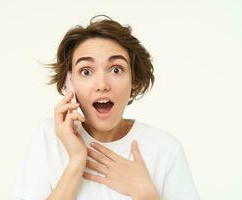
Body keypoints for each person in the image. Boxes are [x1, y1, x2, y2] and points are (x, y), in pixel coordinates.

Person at [12, 15, 199, 200]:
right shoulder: (48, 138)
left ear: (133, 80)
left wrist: (146, 194)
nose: (102, 84)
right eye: (86, 71)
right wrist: (76, 162)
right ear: (70, 82)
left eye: (116, 69)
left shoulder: (165, 149)